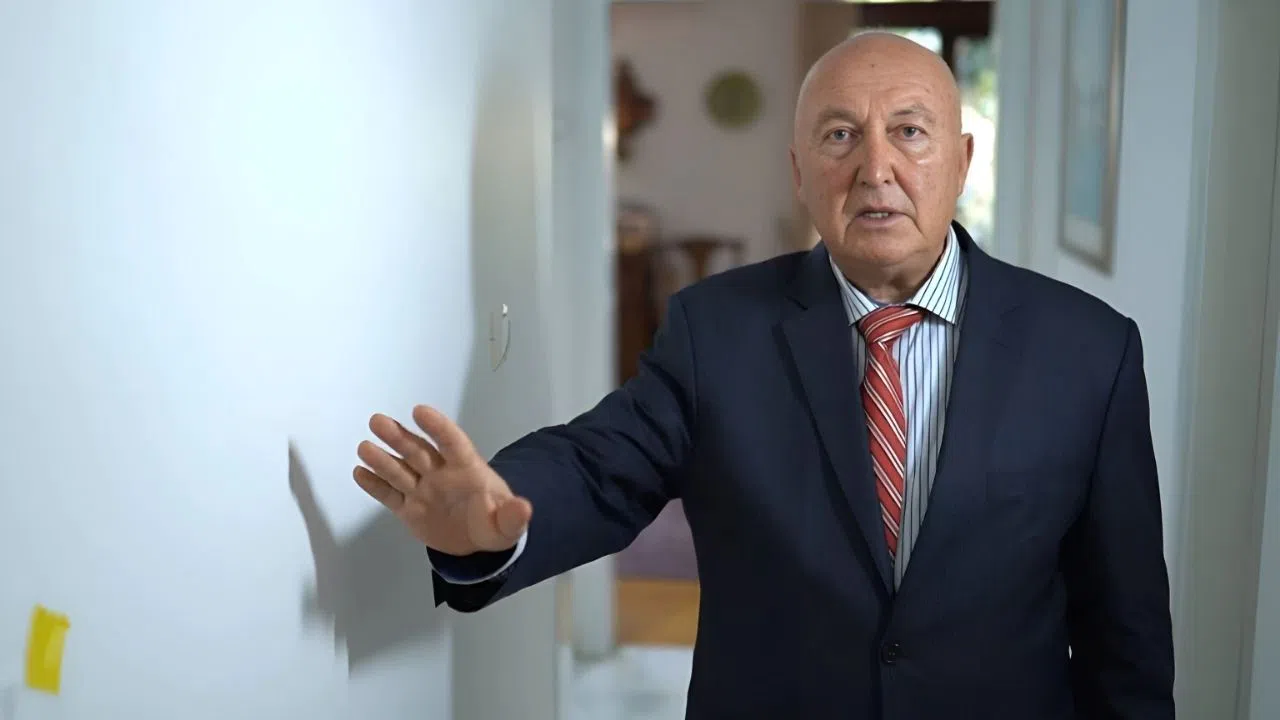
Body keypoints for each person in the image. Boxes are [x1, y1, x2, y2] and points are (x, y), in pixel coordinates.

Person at [352, 32, 1175, 719]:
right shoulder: (716, 330)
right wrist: (497, 517)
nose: (875, 168)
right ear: (799, 171)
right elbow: (602, 464)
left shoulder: (1089, 350)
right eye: (840, 135)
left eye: (910, 132)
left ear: (960, 162)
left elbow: (1125, 629)